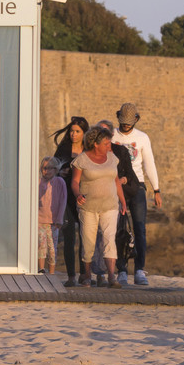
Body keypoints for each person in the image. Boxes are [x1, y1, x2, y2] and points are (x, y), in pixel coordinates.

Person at [110, 102, 162, 287]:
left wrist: (156, 189)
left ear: (136, 120)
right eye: (123, 121)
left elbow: (149, 163)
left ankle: (139, 269)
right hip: (116, 185)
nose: (126, 125)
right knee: (119, 228)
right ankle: (122, 270)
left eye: (129, 122)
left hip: (137, 184)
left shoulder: (142, 138)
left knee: (140, 228)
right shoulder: (112, 135)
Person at [71, 124, 126, 287]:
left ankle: (111, 276)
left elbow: (116, 181)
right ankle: (87, 275)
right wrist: (77, 194)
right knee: (88, 242)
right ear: (95, 144)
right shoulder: (81, 160)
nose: (109, 146)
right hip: (88, 207)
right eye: (106, 143)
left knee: (109, 239)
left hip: (110, 205)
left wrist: (122, 201)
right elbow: (75, 182)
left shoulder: (112, 158)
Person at [52, 118, 89, 286]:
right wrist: (60, 172)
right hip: (66, 195)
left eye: (77, 131)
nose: (73, 134)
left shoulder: (88, 150)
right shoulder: (63, 148)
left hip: (84, 196)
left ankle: (84, 274)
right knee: (68, 237)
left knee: (85, 237)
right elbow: (52, 169)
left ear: (84, 133)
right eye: (72, 131)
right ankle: (71, 276)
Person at [39, 156, 66, 274]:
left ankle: (51, 272)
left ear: (55, 169)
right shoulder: (38, 182)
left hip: (53, 221)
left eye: (50, 168)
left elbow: (63, 201)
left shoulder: (59, 182)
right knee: (41, 245)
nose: (47, 171)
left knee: (52, 247)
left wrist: (59, 219)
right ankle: (41, 269)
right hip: (39, 220)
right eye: (44, 168)